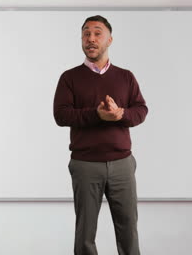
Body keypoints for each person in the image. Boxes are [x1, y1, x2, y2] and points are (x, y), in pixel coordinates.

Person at [53, 15, 148, 255]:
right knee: (85, 233)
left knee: (128, 230)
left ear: (109, 40)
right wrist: (97, 114)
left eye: (97, 33)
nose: (91, 39)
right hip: (85, 165)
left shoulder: (126, 77)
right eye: (86, 33)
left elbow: (141, 110)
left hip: (122, 164)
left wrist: (120, 114)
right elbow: (61, 115)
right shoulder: (69, 78)